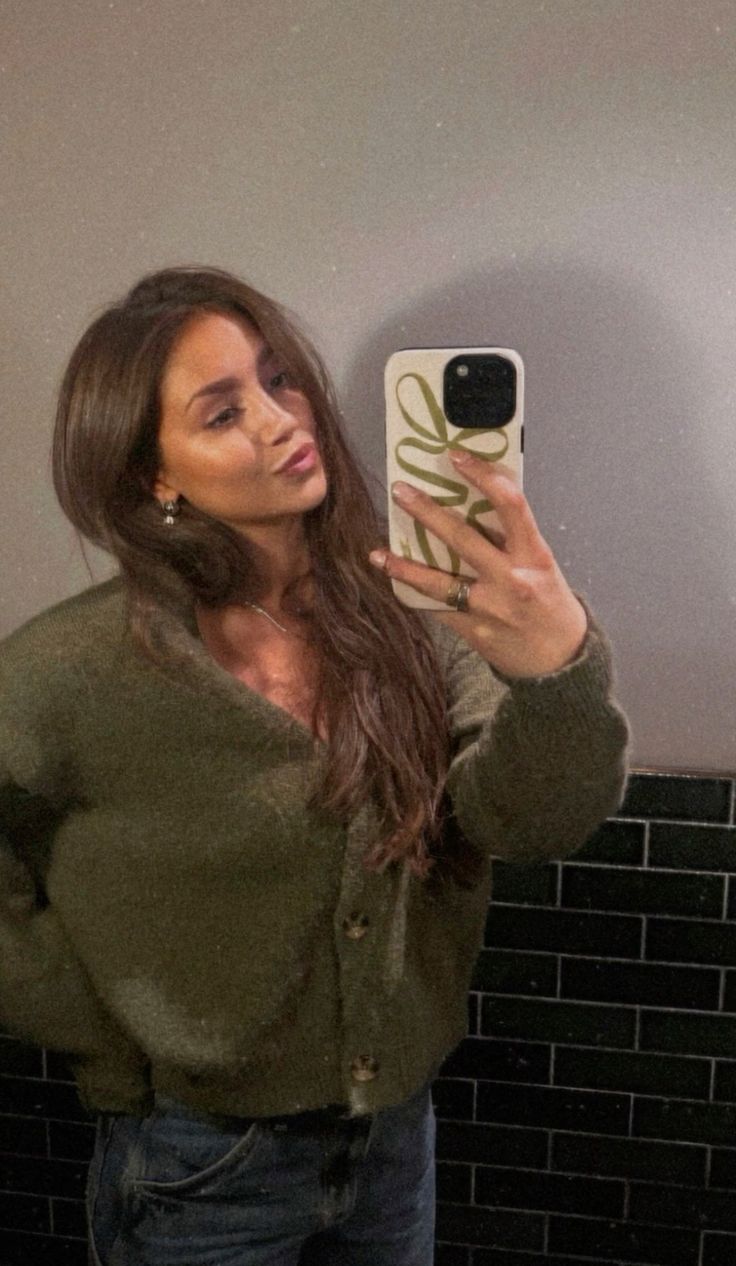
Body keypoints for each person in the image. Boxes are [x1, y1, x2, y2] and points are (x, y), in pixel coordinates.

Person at [0, 266, 628, 1266]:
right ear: (154, 474)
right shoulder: (73, 670)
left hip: (394, 1144)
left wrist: (554, 673)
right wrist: (99, 1033)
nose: (279, 418)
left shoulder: (415, 618)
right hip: (200, 1165)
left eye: (279, 377)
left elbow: (529, 823)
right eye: (222, 411)